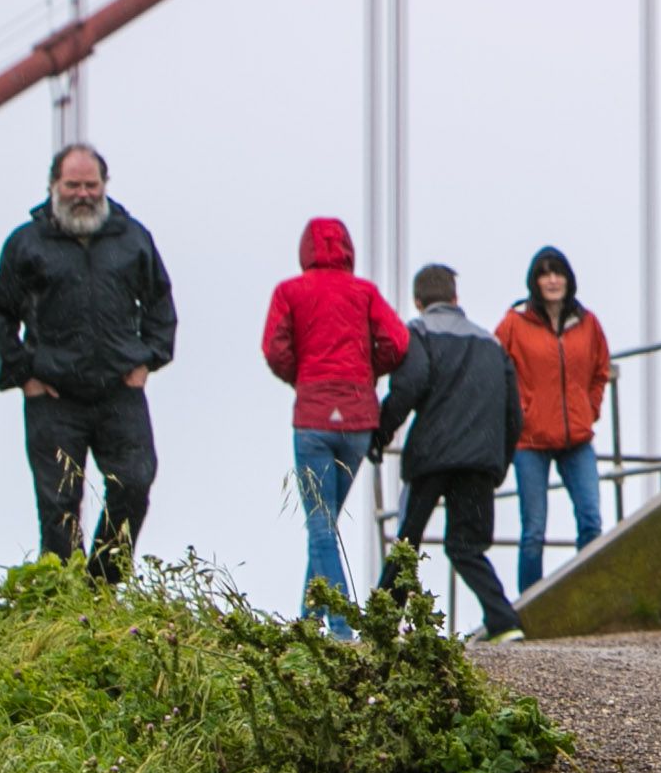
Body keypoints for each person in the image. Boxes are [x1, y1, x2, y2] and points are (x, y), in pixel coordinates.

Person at [0, 141, 178, 583]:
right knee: (58, 502)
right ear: (54, 186)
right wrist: (23, 373)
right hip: (53, 397)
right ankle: (65, 597)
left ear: (105, 186)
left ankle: (103, 584)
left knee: (135, 482)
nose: (82, 194)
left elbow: (160, 303)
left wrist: (148, 359)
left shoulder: (133, 238)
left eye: (91, 185)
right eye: (72, 185)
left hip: (119, 392)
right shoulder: (26, 242)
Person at [261, 214, 409, 634]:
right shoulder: (364, 293)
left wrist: (302, 376)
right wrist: (367, 373)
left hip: (313, 418)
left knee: (320, 524)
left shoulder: (290, 292)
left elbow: (275, 348)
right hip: (358, 420)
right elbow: (396, 342)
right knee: (324, 524)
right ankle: (309, 619)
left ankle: (341, 625)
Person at [373, 262, 525, 640]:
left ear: (418, 301)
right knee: (466, 546)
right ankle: (505, 623)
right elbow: (513, 413)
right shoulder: (491, 344)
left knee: (407, 542)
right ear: (456, 299)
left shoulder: (419, 332)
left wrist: (379, 434)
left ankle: (383, 625)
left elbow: (410, 385)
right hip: (479, 462)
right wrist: (497, 464)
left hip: (431, 457)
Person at [498, 244, 610, 589]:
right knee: (534, 530)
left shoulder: (588, 323)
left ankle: (588, 599)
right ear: (534, 281)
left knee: (591, 520)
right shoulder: (514, 324)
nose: (552, 280)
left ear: (568, 279)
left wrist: (589, 410)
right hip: (530, 440)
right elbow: (495, 370)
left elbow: (600, 370)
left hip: (577, 438)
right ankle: (530, 608)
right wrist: (520, 413)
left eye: (557, 272)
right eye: (544, 274)